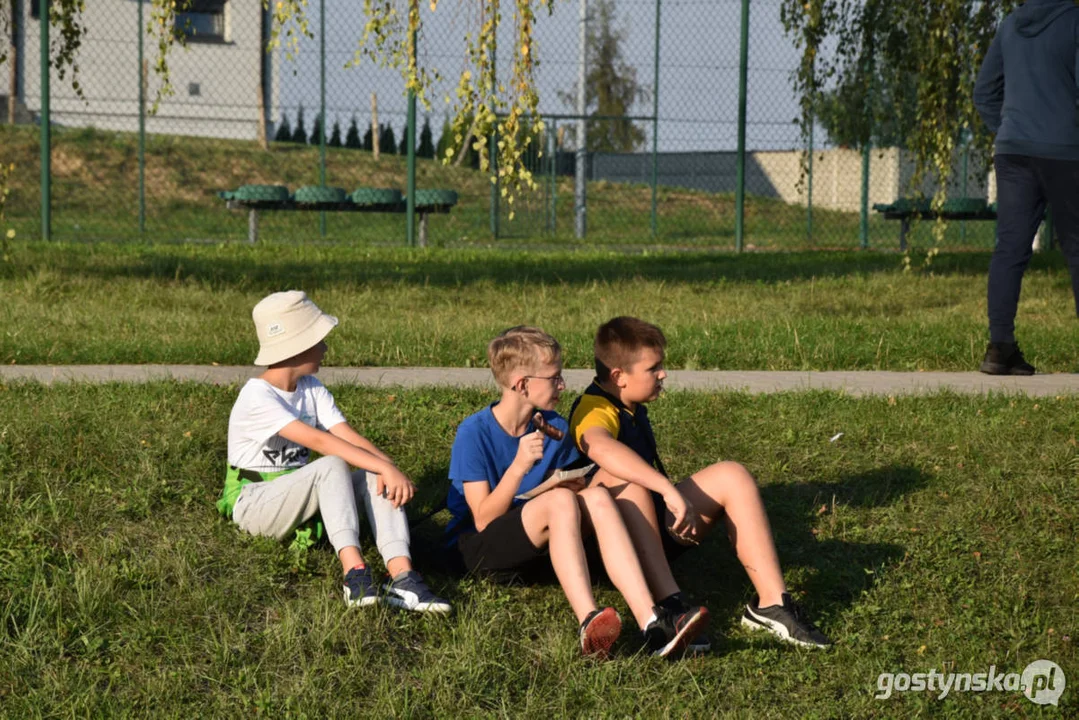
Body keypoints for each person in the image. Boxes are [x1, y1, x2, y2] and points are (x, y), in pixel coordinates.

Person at [567, 316, 832, 650]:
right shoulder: (593, 407)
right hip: (609, 548)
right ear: (619, 377)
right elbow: (599, 445)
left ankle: (771, 604)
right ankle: (667, 605)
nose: (663, 374)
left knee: (732, 475)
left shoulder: (629, 405)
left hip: (647, 527)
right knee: (623, 478)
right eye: (653, 368)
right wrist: (665, 488)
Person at [446, 326, 708, 659]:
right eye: (553, 378)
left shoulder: (553, 426)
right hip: (482, 552)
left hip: (537, 542)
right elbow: (483, 518)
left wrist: (572, 483)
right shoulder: (475, 432)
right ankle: (589, 619)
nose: (562, 385)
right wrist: (519, 467)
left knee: (598, 493)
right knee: (559, 500)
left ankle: (652, 620)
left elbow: (579, 484)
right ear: (522, 384)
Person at [217, 290, 450, 613]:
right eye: (319, 339)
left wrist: (388, 467)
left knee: (371, 471)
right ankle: (354, 573)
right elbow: (324, 443)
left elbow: (347, 436)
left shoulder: (312, 389)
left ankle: (403, 576)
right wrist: (386, 469)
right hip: (254, 504)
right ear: (298, 345)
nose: (326, 347)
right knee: (333, 464)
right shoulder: (257, 396)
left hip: (298, 495)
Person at [973, 0, 1079, 375]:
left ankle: (999, 349)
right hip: (1066, 152)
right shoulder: (1074, 21)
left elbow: (983, 92)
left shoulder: (1010, 24)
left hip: (1013, 151)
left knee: (1009, 250)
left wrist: (1009, 129)